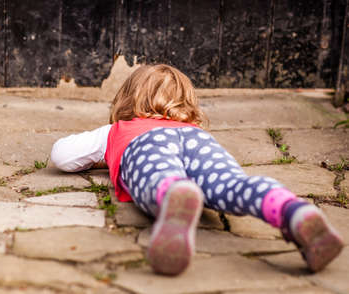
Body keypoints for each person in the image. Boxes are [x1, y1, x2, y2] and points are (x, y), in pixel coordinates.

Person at [51, 64, 343, 275]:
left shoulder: (120, 130)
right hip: (200, 145)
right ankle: (292, 210)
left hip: (143, 145)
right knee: (232, 184)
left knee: (158, 176)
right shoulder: (193, 129)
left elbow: (63, 156)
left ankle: (173, 193)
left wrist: (105, 155)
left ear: (126, 100)